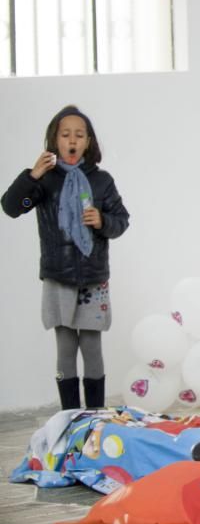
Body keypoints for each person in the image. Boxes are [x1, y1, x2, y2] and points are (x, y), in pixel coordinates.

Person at [2, 105, 130, 410]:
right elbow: (10, 207)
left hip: (93, 277)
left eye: (79, 135)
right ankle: (70, 417)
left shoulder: (102, 181)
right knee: (65, 346)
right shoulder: (43, 181)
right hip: (58, 276)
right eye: (65, 134)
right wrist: (32, 175)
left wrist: (102, 221)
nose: (72, 140)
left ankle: (96, 417)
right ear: (55, 140)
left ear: (88, 142)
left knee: (91, 345)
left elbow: (122, 220)